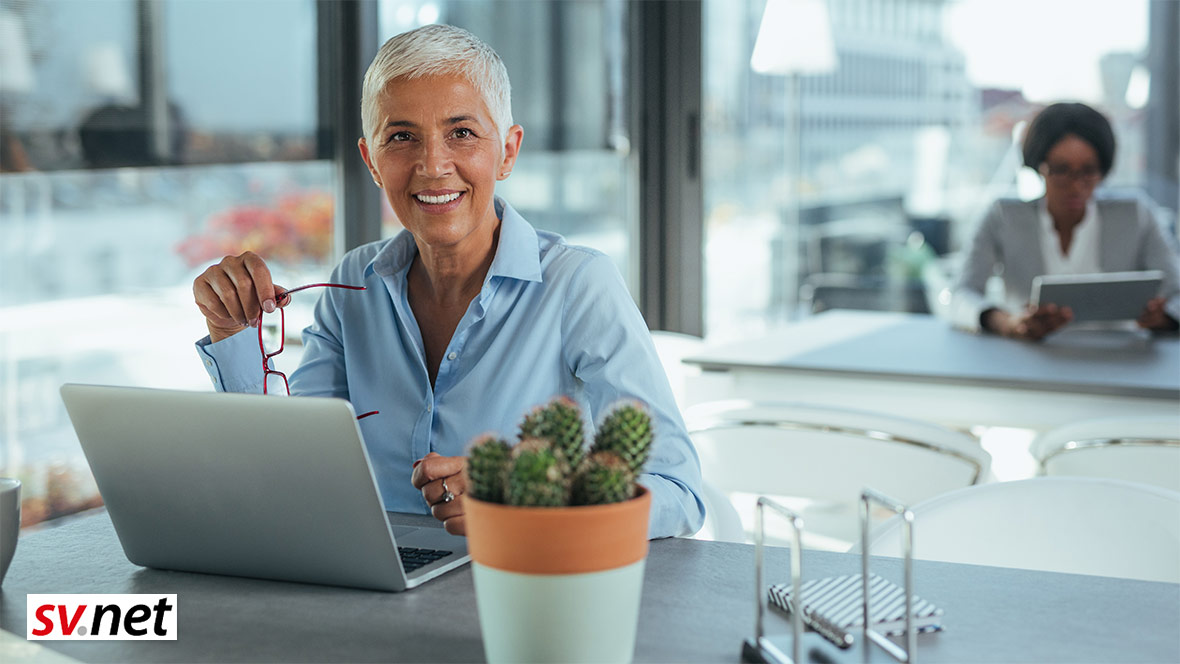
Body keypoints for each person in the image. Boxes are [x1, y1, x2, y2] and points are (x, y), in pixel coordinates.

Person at [191, 24, 705, 539]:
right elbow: (291, 471)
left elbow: (676, 490)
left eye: (461, 133)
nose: (433, 165)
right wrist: (231, 334)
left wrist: (525, 502)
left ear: (507, 152)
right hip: (373, 573)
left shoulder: (578, 284)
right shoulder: (353, 284)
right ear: (372, 162)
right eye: (402, 137)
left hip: (515, 574)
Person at [951, 102, 1180, 340]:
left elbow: (1177, 294)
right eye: (1061, 170)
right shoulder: (1003, 217)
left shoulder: (1136, 214)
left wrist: (1163, 317)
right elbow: (960, 295)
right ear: (1039, 166)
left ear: (1103, 169)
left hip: (1120, 355)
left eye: (1088, 170)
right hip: (1028, 354)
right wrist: (1007, 323)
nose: (1076, 185)